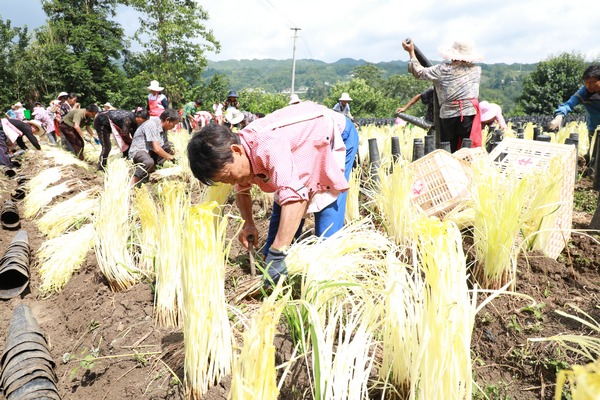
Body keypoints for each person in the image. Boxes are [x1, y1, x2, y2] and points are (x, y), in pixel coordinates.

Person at [187, 101, 359, 285]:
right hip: (300, 144)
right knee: (276, 236)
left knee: (325, 216)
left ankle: (329, 283)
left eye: (227, 176)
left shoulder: (268, 146)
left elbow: (294, 197)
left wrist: (278, 252)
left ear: (236, 151)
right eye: (223, 181)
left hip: (331, 133)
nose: (230, 182)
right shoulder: (240, 156)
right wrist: (249, 224)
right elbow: (243, 190)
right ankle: (276, 267)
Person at [403, 38, 482, 152]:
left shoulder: (443, 69)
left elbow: (419, 72)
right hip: (469, 113)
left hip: (449, 115)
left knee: (449, 147)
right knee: (466, 148)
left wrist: (411, 52)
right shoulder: (476, 70)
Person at [548, 64, 600, 175]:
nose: (588, 86)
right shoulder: (584, 92)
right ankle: (592, 176)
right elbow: (569, 104)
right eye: (585, 82)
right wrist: (559, 116)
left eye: (591, 82)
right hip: (593, 128)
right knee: (594, 155)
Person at [128, 108, 179, 186]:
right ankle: (132, 184)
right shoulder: (152, 124)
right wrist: (172, 158)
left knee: (169, 146)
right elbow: (157, 148)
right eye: (174, 124)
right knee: (148, 162)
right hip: (139, 152)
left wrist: (175, 155)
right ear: (167, 120)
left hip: (150, 153)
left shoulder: (164, 128)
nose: (174, 127)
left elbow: (163, 145)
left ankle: (155, 170)